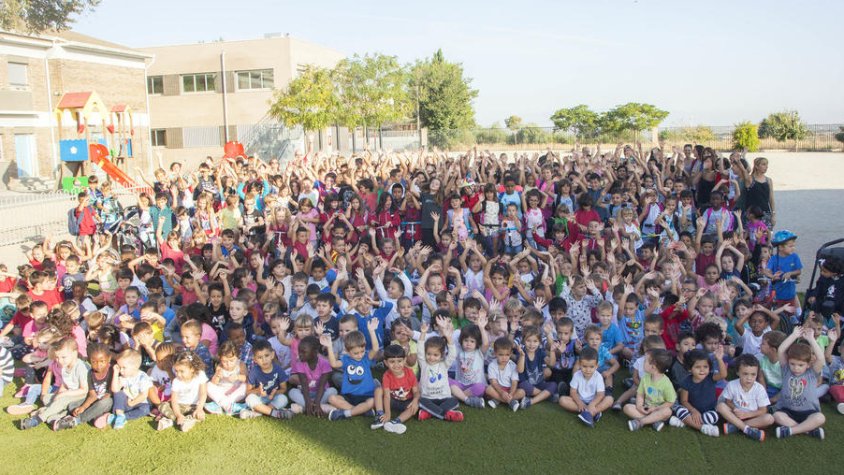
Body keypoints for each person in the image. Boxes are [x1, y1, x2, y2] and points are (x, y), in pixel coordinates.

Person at [20, 337, 88, 430]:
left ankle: (38, 419)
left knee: (61, 400)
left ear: (74, 353)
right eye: (57, 357)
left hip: (80, 396)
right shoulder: (64, 366)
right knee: (48, 398)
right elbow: (64, 384)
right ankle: (55, 418)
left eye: (63, 357)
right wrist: (58, 393)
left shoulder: (80, 367)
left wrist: (64, 394)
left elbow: (84, 390)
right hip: (68, 393)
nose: (60, 360)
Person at [773, 326, 826, 440]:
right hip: (787, 411)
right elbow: (781, 350)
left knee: (820, 418)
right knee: (777, 416)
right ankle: (808, 431)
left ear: (808, 364)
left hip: (808, 412)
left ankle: (791, 430)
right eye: (792, 364)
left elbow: (821, 359)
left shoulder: (811, 373)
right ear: (788, 362)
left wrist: (811, 339)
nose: (796, 368)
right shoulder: (786, 370)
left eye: (800, 365)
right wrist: (793, 335)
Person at [322, 319, 380, 422]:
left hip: (366, 395)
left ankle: (346, 413)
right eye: (356, 353)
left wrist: (372, 331)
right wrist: (329, 347)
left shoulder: (366, 358)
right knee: (331, 399)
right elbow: (333, 364)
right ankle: (362, 411)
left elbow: (375, 349)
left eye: (362, 351)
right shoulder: (346, 360)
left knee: (373, 401)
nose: (360, 355)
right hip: (349, 396)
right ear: (348, 352)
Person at [668, 348, 727, 437]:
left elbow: (723, 375)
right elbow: (684, 401)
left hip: (708, 411)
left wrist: (719, 359)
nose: (702, 370)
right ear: (689, 369)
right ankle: (703, 428)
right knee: (679, 410)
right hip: (691, 411)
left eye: (705, 367)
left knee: (714, 416)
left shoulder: (711, 377)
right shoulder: (686, 382)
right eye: (698, 367)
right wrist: (694, 411)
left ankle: (686, 422)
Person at [716, 354, 774, 442]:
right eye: (745, 374)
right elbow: (728, 401)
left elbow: (763, 410)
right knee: (721, 406)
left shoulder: (759, 388)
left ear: (757, 373)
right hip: (736, 415)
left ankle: (735, 427)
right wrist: (735, 409)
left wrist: (747, 415)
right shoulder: (732, 385)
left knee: (770, 418)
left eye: (753, 374)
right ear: (738, 372)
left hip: (752, 417)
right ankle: (747, 430)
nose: (749, 378)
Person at [417, 319, 462, 422]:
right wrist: (423, 333)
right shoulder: (424, 364)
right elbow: (420, 350)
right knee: (420, 400)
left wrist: (448, 337)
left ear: (441, 356)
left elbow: (452, 354)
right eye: (429, 354)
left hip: (444, 397)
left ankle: (429, 413)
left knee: (454, 400)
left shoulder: (444, 364)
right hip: (428, 398)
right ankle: (446, 414)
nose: (431, 357)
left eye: (435, 355)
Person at [558, 346, 614, 427]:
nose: (588, 370)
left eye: (591, 367)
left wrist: (592, 404)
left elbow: (600, 394)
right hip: (580, 402)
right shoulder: (577, 375)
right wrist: (580, 403)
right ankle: (592, 413)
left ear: (596, 366)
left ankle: (590, 412)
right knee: (562, 400)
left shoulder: (598, 376)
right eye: (584, 366)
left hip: (594, 402)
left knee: (609, 399)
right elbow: (572, 392)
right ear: (580, 365)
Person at [240, 340, 293, 421]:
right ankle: (275, 413)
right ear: (255, 359)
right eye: (260, 357)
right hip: (260, 398)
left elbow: (283, 388)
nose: (264, 360)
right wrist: (258, 391)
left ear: (272, 355)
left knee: (283, 399)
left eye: (266, 355)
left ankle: (258, 413)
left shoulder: (278, 369)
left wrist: (275, 393)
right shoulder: (254, 371)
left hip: (273, 398)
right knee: (249, 399)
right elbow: (248, 392)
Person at [623, 349, 676, 432]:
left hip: (659, 410)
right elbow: (640, 394)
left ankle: (641, 422)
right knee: (627, 408)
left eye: (645, 361)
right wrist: (639, 406)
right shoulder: (645, 378)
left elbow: (670, 402)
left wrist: (655, 408)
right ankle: (653, 421)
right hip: (646, 408)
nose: (643, 362)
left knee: (667, 411)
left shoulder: (666, 383)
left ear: (653, 367)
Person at [373, 344, 419, 434]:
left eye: (399, 361)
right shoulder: (386, 375)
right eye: (392, 362)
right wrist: (388, 413)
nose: (396, 365)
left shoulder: (410, 373)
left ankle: (396, 421)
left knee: (415, 406)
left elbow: (416, 391)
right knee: (378, 390)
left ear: (405, 360)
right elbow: (386, 396)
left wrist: (415, 400)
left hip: (406, 403)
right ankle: (380, 416)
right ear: (386, 363)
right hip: (392, 400)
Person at [157, 351, 208, 432]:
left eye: (181, 371)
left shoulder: (200, 375)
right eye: (176, 371)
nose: (178, 374)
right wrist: (178, 414)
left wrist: (199, 408)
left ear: (192, 369)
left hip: (194, 406)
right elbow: (174, 401)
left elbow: (203, 393)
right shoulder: (176, 381)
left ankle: (170, 421)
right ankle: (181, 420)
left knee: (198, 414)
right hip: (179, 406)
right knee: (162, 406)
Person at [108, 348, 152, 429]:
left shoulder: (142, 377)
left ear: (135, 367)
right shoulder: (124, 377)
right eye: (119, 367)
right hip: (127, 401)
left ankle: (122, 417)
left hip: (139, 402)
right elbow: (115, 389)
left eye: (124, 367)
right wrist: (115, 373)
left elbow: (143, 395)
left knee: (146, 409)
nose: (121, 370)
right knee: (119, 394)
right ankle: (119, 414)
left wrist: (132, 403)